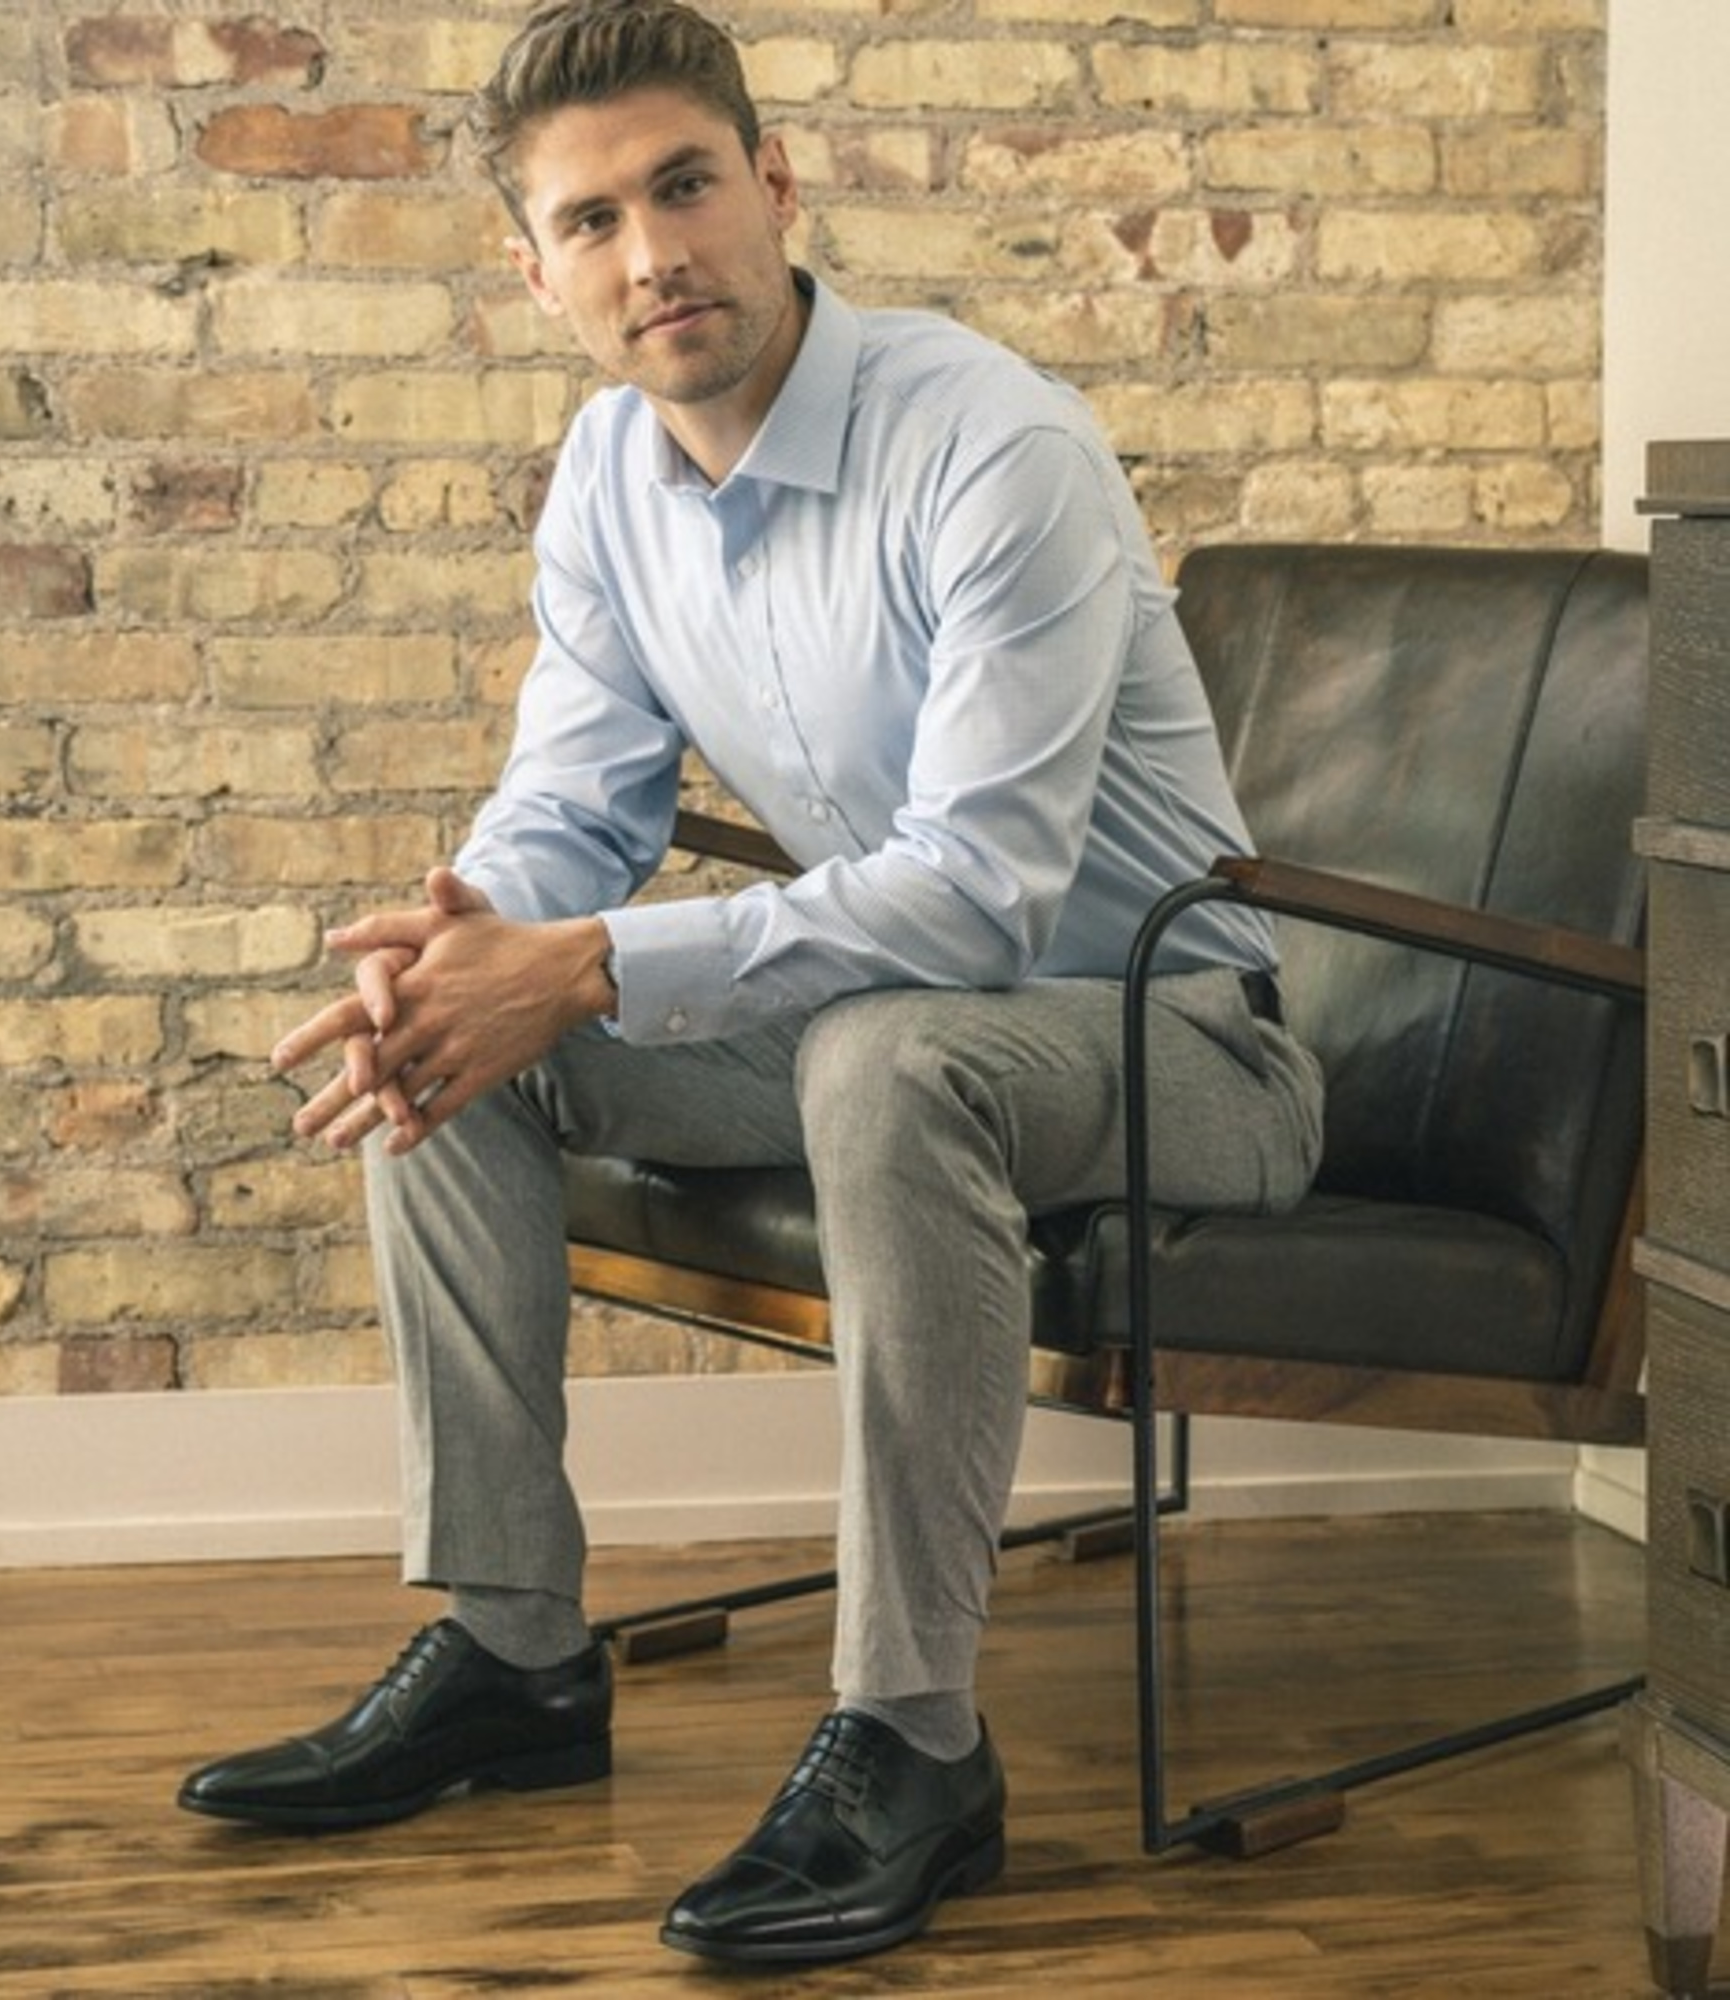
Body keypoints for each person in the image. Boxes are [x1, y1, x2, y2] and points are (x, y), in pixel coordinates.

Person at [177, 0, 1324, 1966]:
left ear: (773, 185)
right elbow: (570, 798)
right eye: (594, 219)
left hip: (1172, 1031)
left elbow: (974, 899)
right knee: (447, 1042)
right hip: (897, 1020)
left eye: (686, 185)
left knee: (886, 1061)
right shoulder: (611, 482)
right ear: (532, 272)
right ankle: (515, 1649)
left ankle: (911, 1736)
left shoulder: (994, 445)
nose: (656, 254)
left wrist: (600, 960)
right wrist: (467, 950)